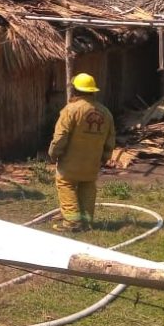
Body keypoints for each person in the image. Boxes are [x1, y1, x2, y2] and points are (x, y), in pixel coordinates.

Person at [48, 73, 115, 233]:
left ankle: (72, 223)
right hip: (92, 162)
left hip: (71, 161)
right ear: (93, 91)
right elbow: (110, 139)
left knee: (66, 184)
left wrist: (53, 153)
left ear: (76, 90)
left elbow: (60, 136)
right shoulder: (105, 112)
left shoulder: (71, 110)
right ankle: (86, 222)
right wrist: (105, 158)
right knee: (87, 186)